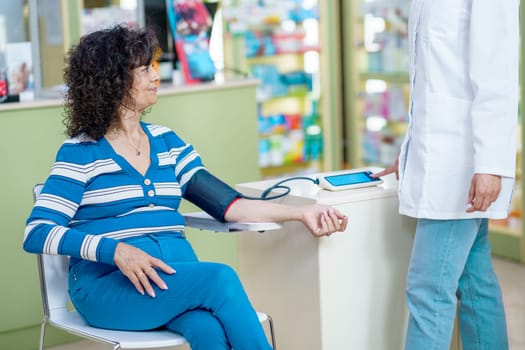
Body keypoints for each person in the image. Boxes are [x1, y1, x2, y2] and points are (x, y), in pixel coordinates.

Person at [23, 25, 348, 350]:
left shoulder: (167, 142)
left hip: (174, 277)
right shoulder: (80, 153)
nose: (155, 76)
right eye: (144, 68)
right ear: (113, 80)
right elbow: (37, 231)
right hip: (108, 286)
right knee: (220, 278)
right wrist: (116, 251)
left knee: (206, 329)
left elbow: (229, 205)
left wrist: (301, 212)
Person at [373, 1, 520, 349]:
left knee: (428, 290)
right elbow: (432, 80)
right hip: (440, 157)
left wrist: (490, 164)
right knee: (474, 283)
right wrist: (412, 149)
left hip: (463, 164)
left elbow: (496, 72)